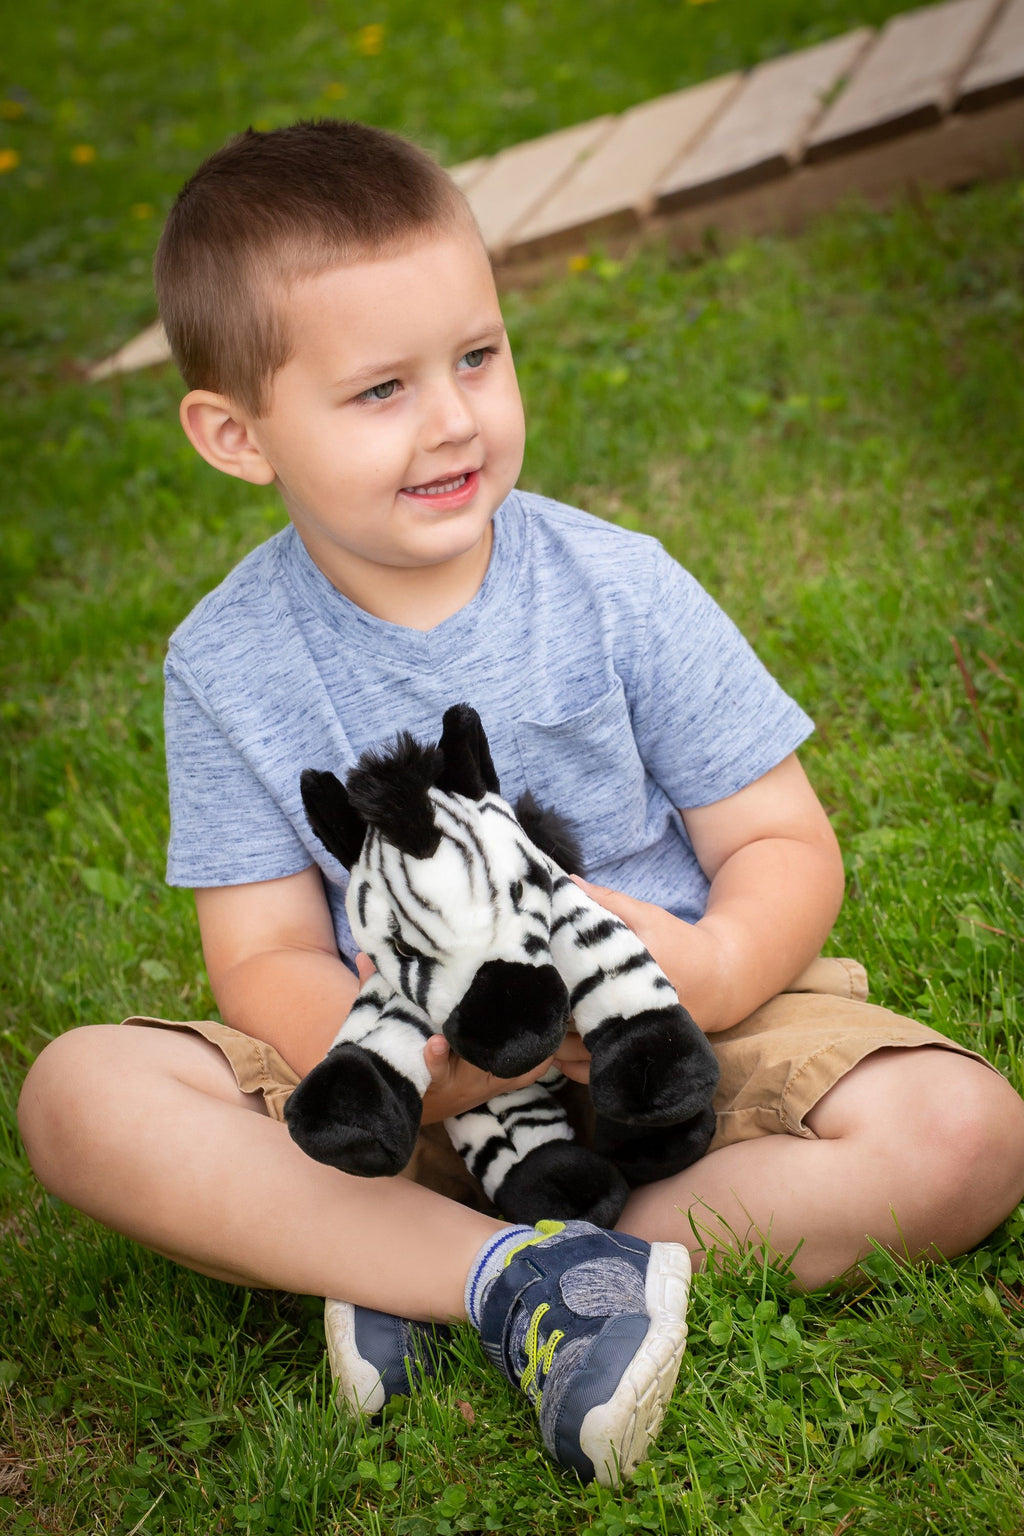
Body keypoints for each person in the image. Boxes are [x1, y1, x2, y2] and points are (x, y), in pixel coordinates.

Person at [17, 119, 1024, 1486]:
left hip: (663, 1051)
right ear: (235, 434)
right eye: (380, 390)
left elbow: (780, 840)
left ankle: (472, 1273)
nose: (454, 418)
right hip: (405, 1096)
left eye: (478, 356)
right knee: (82, 1094)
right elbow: (261, 955)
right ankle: (486, 1270)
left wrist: (719, 967)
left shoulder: (618, 586)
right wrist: (420, 1079)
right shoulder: (228, 661)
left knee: (967, 1135)